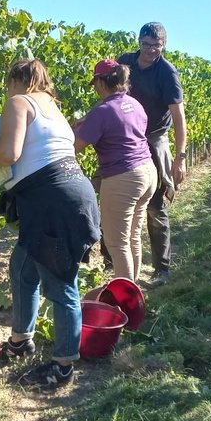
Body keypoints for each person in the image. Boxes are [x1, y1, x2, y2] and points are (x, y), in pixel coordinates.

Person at [0, 58, 100, 387]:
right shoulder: (52, 108)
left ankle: (63, 366)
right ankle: (21, 341)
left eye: (8, 85)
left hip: (52, 204)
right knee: (22, 267)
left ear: (15, 81)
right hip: (70, 195)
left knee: (61, 285)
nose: (8, 91)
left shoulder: (19, 102)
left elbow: (8, 153)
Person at [74, 60, 157, 282]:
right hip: (148, 172)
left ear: (102, 82)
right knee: (132, 237)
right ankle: (134, 292)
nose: (95, 89)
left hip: (123, 178)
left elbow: (75, 147)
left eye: (95, 84)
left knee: (117, 244)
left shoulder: (101, 112)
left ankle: (126, 305)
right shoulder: (135, 104)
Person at [117, 22, 186, 286]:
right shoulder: (125, 63)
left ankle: (162, 268)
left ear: (163, 45)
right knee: (117, 197)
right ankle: (117, 261)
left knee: (155, 206)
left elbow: (179, 118)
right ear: (139, 42)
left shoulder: (167, 73)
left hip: (154, 138)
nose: (149, 51)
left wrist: (179, 157)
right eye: (145, 44)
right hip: (126, 136)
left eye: (155, 46)